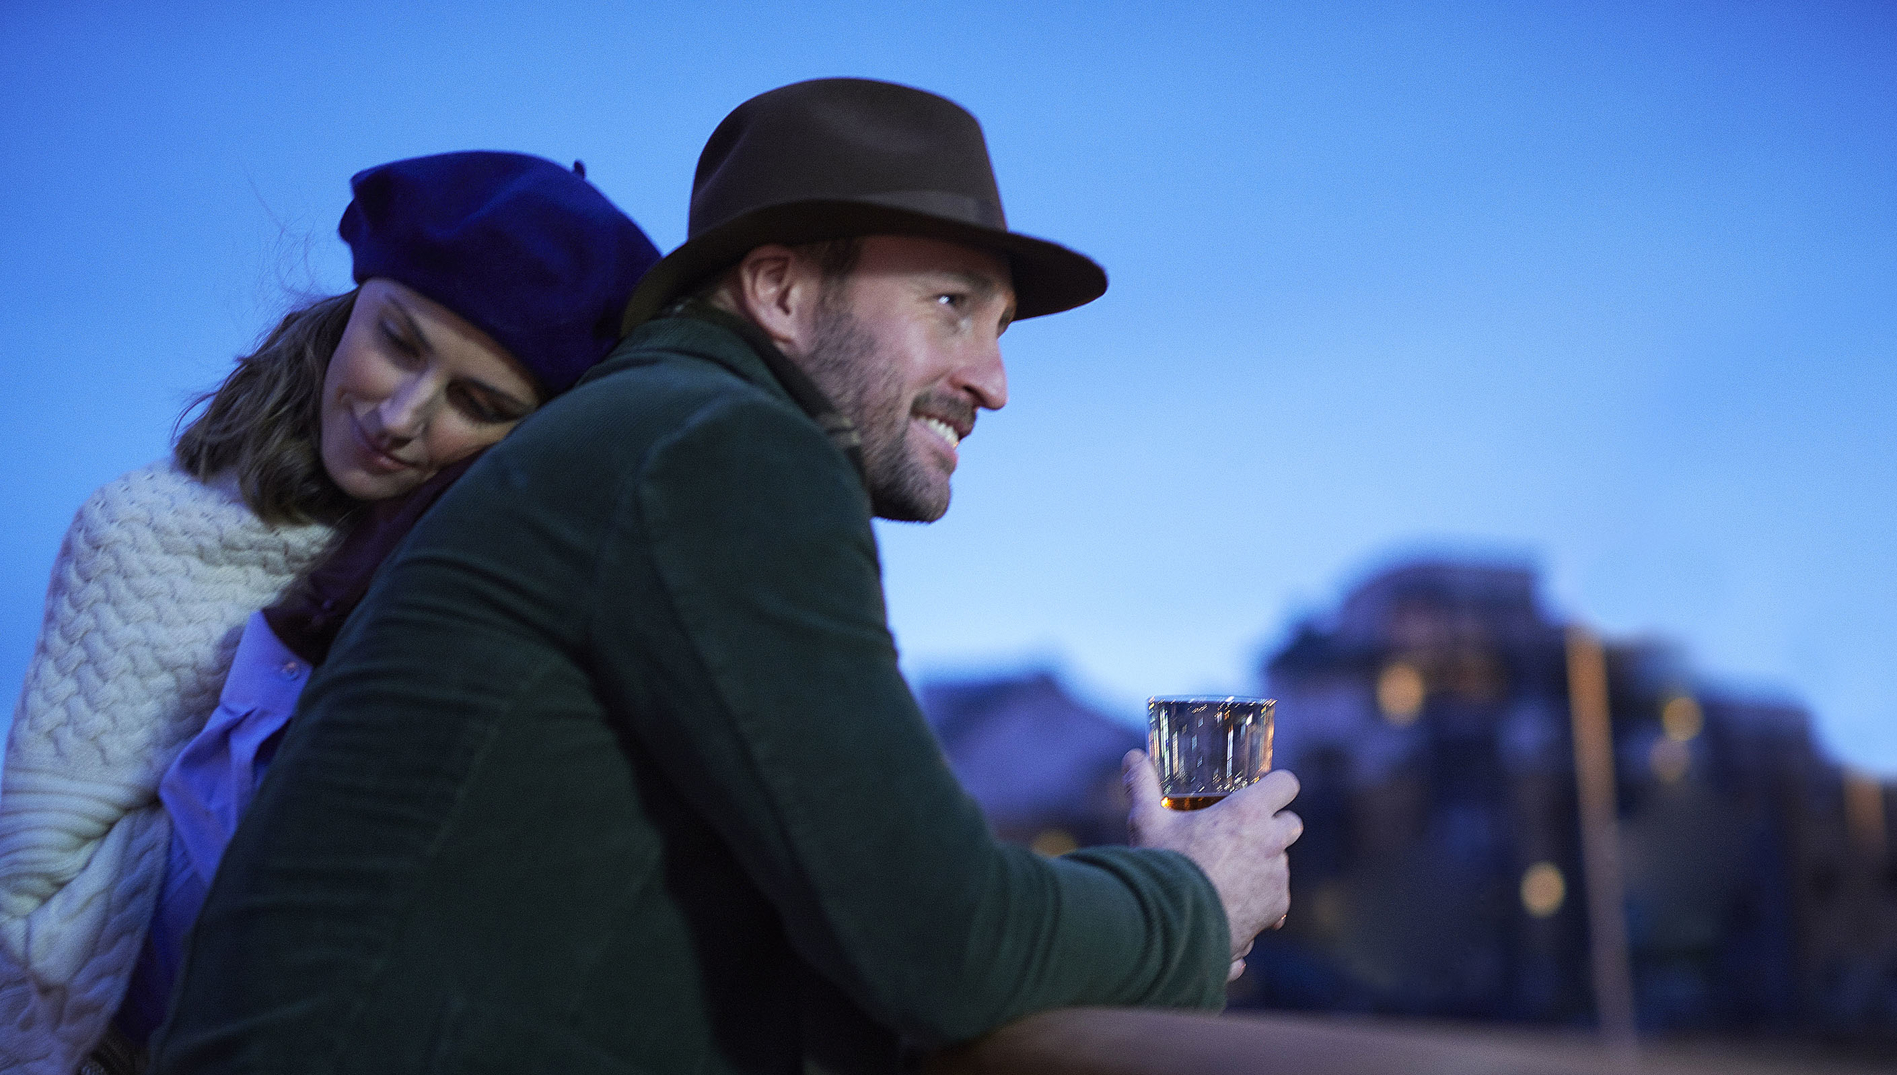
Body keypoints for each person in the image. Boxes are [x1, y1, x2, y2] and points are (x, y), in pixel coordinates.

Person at [152, 79, 1302, 1075]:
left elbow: (833, 937)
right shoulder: (717, 447)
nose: (992, 381)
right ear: (780, 291)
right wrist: (1196, 898)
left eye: (1001, 328)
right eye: (952, 305)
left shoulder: (648, 432)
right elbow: (942, 940)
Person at [0, 151, 658, 1075]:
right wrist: (306, 632)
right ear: (353, 307)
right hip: (131, 1018)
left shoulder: (523, 594)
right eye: (398, 343)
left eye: (476, 403)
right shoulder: (144, 532)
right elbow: (27, 907)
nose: (398, 416)